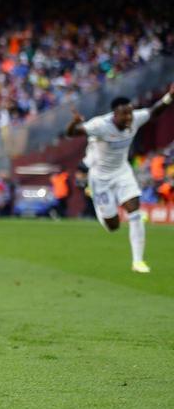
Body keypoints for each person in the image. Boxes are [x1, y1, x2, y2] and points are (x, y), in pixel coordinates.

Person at [66, 84, 174, 273]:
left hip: (122, 172)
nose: (129, 118)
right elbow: (72, 134)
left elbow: (154, 111)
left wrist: (169, 97)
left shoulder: (134, 120)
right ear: (115, 114)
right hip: (100, 178)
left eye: (131, 114)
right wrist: (74, 123)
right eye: (125, 115)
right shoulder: (100, 125)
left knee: (135, 211)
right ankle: (97, 201)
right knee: (112, 226)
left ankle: (138, 261)